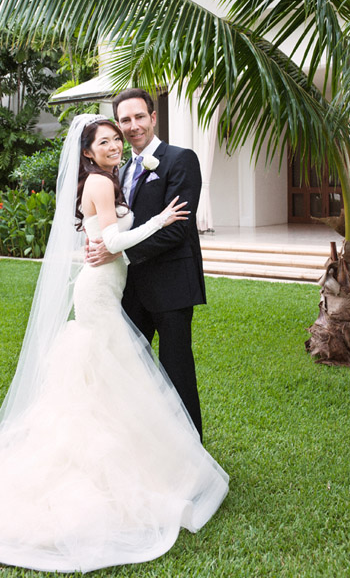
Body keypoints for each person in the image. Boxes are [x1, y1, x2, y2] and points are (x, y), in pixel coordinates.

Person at [0, 114, 228, 574]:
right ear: (87, 152)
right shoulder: (101, 182)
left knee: (109, 376)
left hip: (109, 287)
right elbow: (112, 238)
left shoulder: (107, 178)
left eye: (118, 137)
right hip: (99, 293)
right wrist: (161, 220)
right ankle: (99, 465)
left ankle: (133, 455)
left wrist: (132, 232)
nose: (115, 143)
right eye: (106, 140)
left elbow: (102, 236)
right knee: (105, 371)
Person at [87, 88, 205, 439]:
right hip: (130, 290)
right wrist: (98, 244)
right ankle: (143, 447)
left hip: (171, 288)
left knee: (176, 373)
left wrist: (119, 252)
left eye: (140, 117)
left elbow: (178, 231)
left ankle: (190, 452)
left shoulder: (181, 160)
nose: (133, 125)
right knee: (129, 373)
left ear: (154, 117)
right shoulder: (118, 172)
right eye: (125, 120)